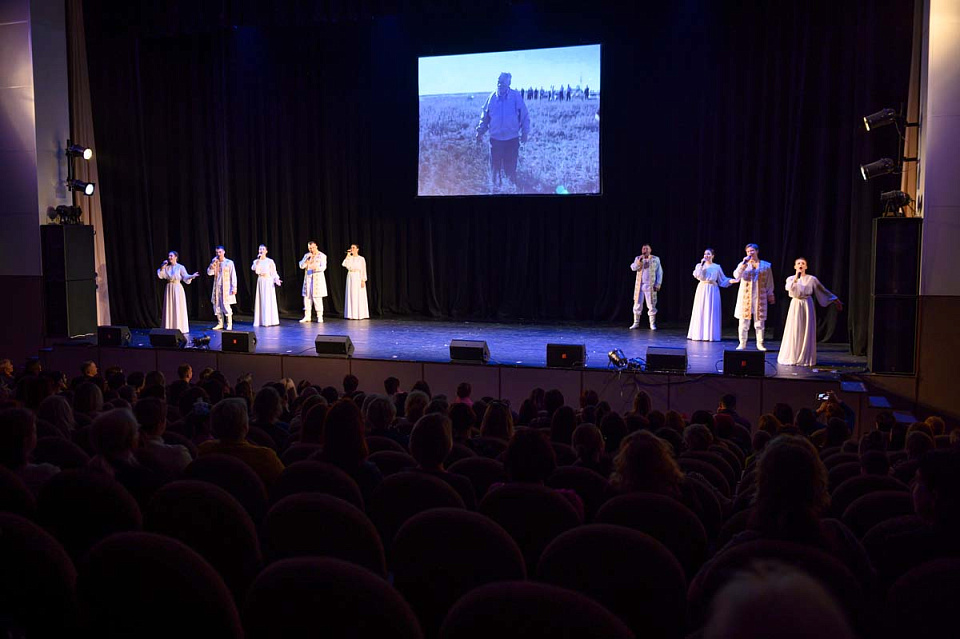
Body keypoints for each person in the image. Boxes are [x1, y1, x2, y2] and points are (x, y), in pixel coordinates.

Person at [776, 258, 842, 366]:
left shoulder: (812, 279)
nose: (800, 265)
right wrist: (796, 277)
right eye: (798, 263)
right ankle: (793, 356)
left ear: (806, 267)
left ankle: (805, 357)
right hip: (796, 304)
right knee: (795, 329)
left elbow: (823, 290)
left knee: (806, 329)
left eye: (803, 263)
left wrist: (835, 300)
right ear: (795, 267)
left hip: (807, 304)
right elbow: (789, 288)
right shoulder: (791, 278)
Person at [475, 72, 531, 189]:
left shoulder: (516, 97)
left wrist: (525, 132)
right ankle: (495, 190)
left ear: (509, 83)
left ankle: (511, 190)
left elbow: (524, 115)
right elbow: (484, 117)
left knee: (510, 170)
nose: (500, 85)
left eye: (503, 82)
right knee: (495, 171)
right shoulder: (491, 98)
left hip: (512, 140)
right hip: (495, 141)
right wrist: (480, 132)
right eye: (498, 82)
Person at [730, 243, 775, 350]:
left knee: (759, 322)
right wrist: (743, 264)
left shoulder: (765, 265)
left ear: (757, 251)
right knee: (743, 321)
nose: (750, 253)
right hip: (745, 297)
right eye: (748, 251)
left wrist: (770, 293)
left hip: (760, 296)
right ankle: (742, 343)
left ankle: (760, 343)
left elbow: (769, 281)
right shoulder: (743, 264)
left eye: (752, 251)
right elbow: (736, 276)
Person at [687, 248, 732, 341]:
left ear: (713, 256)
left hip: (712, 289)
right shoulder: (699, 266)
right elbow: (697, 276)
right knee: (700, 310)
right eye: (705, 254)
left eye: (708, 254)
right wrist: (701, 267)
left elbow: (722, 279)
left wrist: (732, 280)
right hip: (702, 289)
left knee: (711, 310)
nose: (706, 256)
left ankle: (710, 335)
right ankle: (698, 335)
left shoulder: (717, 267)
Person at [156, 251, 199, 334]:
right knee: (169, 307)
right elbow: (161, 275)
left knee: (177, 307)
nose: (169, 257)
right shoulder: (166, 267)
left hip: (177, 288)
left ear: (176, 257)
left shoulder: (180, 267)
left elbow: (185, 276)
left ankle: (179, 327)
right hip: (169, 288)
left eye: (171, 256)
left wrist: (192, 276)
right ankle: (169, 327)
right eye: (169, 256)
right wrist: (162, 266)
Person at [630, 244, 662, 330]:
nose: (645, 250)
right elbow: (633, 268)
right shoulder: (638, 258)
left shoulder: (655, 259)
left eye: (646, 249)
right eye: (643, 249)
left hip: (650, 286)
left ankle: (652, 323)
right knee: (637, 303)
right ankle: (636, 323)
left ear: (650, 250)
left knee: (651, 304)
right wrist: (639, 262)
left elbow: (659, 272)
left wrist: (658, 283)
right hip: (640, 285)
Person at [206, 245, 237, 330]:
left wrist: (234, 287)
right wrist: (212, 266)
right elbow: (209, 273)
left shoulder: (229, 262)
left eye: (220, 252)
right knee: (217, 305)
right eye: (217, 252)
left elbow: (233, 275)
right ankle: (220, 323)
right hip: (217, 286)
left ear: (224, 252)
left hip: (226, 287)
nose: (218, 254)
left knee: (226, 305)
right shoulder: (215, 261)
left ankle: (229, 324)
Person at [251, 244, 282, 327]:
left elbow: (273, 272)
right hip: (261, 280)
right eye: (260, 249)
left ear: (266, 251)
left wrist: (276, 279)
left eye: (263, 249)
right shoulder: (256, 261)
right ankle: (261, 321)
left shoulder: (270, 261)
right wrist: (258, 260)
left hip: (268, 281)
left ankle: (269, 320)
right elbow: (253, 268)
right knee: (261, 300)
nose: (261, 250)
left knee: (268, 300)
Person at [298, 240, 327, 323]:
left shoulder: (322, 256)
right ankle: (307, 316)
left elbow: (323, 267)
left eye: (313, 248)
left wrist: (316, 268)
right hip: (308, 278)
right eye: (310, 248)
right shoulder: (307, 255)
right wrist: (306, 261)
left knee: (317, 297)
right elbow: (301, 265)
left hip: (317, 278)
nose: (311, 249)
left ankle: (319, 316)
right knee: (307, 297)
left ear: (316, 247)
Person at [341, 244, 369, 320]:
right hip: (350, 276)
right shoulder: (349, 258)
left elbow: (363, 269)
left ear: (357, 249)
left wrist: (363, 280)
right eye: (351, 248)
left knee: (358, 294)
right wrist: (348, 255)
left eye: (353, 248)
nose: (352, 249)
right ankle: (351, 314)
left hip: (358, 276)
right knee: (351, 294)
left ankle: (359, 314)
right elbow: (344, 264)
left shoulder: (361, 259)